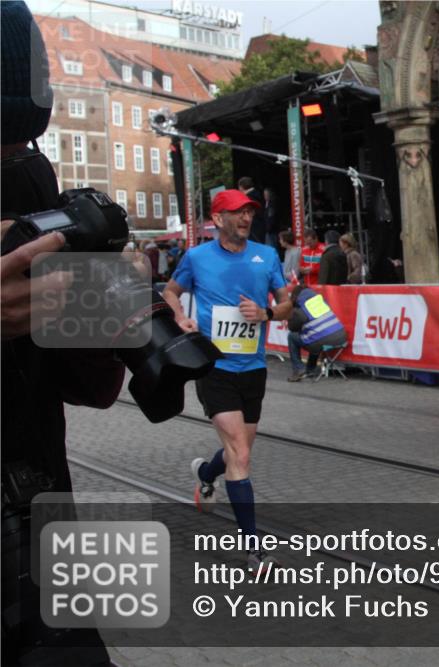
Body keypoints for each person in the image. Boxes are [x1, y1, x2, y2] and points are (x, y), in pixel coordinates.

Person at [1, 3, 125, 664]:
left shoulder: (30, 178)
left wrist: (98, 311)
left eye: (18, 143)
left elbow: (95, 386)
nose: (11, 162)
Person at [162, 189, 293, 571]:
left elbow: (287, 302)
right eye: (236, 212)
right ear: (217, 220)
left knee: (238, 452)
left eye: (249, 212)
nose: (245, 218)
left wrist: (267, 312)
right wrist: (180, 318)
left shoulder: (266, 256)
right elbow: (171, 291)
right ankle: (254, 548)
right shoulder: (197, 257)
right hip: (215, 367)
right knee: (242, 454)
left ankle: (205, 473)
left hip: (253, 370)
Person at [285, 283, 347, 382]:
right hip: (341, 337)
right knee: (313, 335)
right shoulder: (320, 301)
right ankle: (310, 369)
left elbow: (292, 328)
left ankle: (298, 369)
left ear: (295, 297)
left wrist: (290, 314)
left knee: (292, 337)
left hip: (323, 340)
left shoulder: (300, 308)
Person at [238, 176, 267, 243]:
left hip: (254, 229)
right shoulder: (258, 194)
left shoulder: (249, 198)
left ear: (241, 187)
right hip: (260, 227)